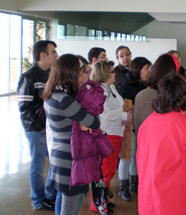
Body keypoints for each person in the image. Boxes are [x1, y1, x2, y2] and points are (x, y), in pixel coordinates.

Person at [137, 73, 186, 215]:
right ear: (184, 97)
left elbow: (142, 161)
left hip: (149, 195)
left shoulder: (147, 124)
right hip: (178, 196)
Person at [43, 54, 101, 215]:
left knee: (77, 199)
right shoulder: (65, 100)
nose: (87, 76)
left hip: (64, 154)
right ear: (71, 73)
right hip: (69, 157)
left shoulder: (54, 94)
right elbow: (95, 122)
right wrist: (89, 119)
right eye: (83, 72)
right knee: (69, 206)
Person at [17, 40, 58, 210]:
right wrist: (38, 126)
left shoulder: (50, 75)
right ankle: (38, 200)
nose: (56, 55)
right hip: (37, 130)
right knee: (38, 166)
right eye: (53, 52)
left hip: (49, 128)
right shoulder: (29, 77)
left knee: (54, 162)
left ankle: (49, 195)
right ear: (43, 55)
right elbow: (24, 108)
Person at [90, 61, 132, 203]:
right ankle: (98, 204)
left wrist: (124, 113)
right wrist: (125, 116)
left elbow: (116, 108)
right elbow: (104, 114)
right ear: (105, 74)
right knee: (104, 171)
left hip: (116, 133)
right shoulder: (98, 91)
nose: (115, 73)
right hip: (107, 134)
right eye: (112, 71)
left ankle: (103, 201)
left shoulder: (111, 87)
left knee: (111, 170)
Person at [134, 53, 186, 134]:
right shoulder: (182, 93)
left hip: (150, 143)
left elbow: (138, 127)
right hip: (175, 143)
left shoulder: (141, 96)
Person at [117, 57, 152, 198]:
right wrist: (131, 126)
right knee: (127, 157)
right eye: (146, 69)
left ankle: (135, 183)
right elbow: (126, 109)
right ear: (138, 70)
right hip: (129, 127)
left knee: (137, 157)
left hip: (142, 127)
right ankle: (123, 188)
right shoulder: (127, 86)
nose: (149, 71)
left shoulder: (146, 85)